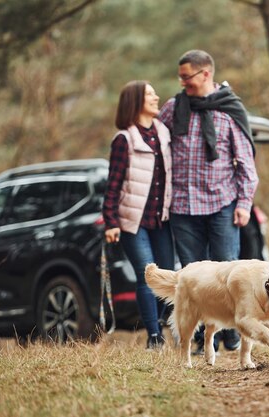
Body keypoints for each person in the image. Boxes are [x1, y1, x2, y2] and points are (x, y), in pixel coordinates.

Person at [157, 50, 259, 354]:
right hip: (183, 207)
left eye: (187, 77)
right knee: (194, 279)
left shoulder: (229, 110)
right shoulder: (174, 108)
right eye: (180, 77)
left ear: (205, 74)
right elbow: (155, 144)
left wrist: (244, 203)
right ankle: (199, 339)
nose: (182, 82)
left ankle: (234, 333)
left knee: (230, 274)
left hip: (222, 204)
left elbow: (246, 163)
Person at [102, 80, 174, 350]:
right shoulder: (124, 140)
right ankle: (154, 336)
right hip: (133, 222)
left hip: (161, 220)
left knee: (166, 278)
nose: (157, 97)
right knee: (148, 275)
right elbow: (113, 185)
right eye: (150, 94)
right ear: (136, 102)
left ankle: (163, 323)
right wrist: (111, 221)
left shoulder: (164, 134)